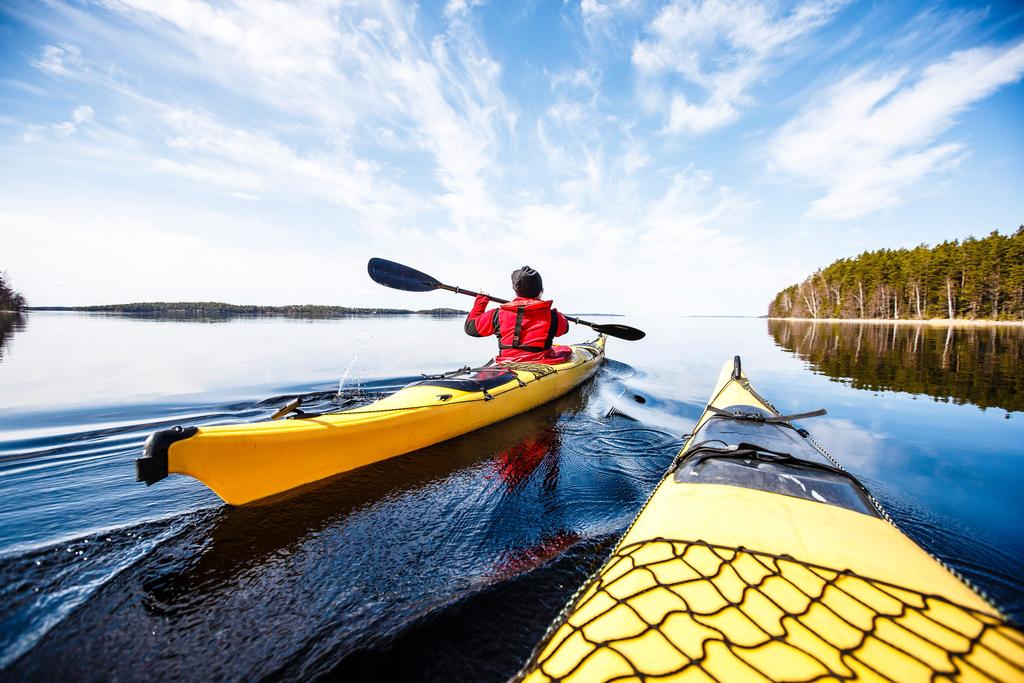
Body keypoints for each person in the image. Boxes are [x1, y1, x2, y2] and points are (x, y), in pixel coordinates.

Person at [464, 266, 573, 364]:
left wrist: (481, 301)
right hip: (542, 363)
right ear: (541, 291)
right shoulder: (553, 316)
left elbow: (470, 328)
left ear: (516, 292)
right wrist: (556, 314)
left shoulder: (497, 314)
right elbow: (565, 328)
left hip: (507, 364)